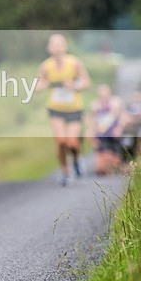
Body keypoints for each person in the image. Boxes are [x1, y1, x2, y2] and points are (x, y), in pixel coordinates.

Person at [36, 33, 91, 186]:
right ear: (49, 48)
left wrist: (74, 85)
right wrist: (43, 85)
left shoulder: (74, 63)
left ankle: (76, 158)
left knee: (72, 142)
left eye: (59, 44)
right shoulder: (46, 66)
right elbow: (37, 84)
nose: (57, 47)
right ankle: (66, 172)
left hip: (74, 108)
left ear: (65, 46)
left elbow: (87, 82)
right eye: (53, 44)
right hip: (56, 108)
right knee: (61, 142)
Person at [86, 84, 127, 176]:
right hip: (102, 136)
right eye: (100, 93)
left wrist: (119, 128)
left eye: (104, 93)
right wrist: (90, 131)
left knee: (114, 160)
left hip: (114, 135)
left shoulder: (116, 102)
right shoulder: (95, 105)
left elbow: (123, 116)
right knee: (100, 170)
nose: (102, 95)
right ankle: (110, 164)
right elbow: (92, 119)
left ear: (109, 93)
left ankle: (119, 164)